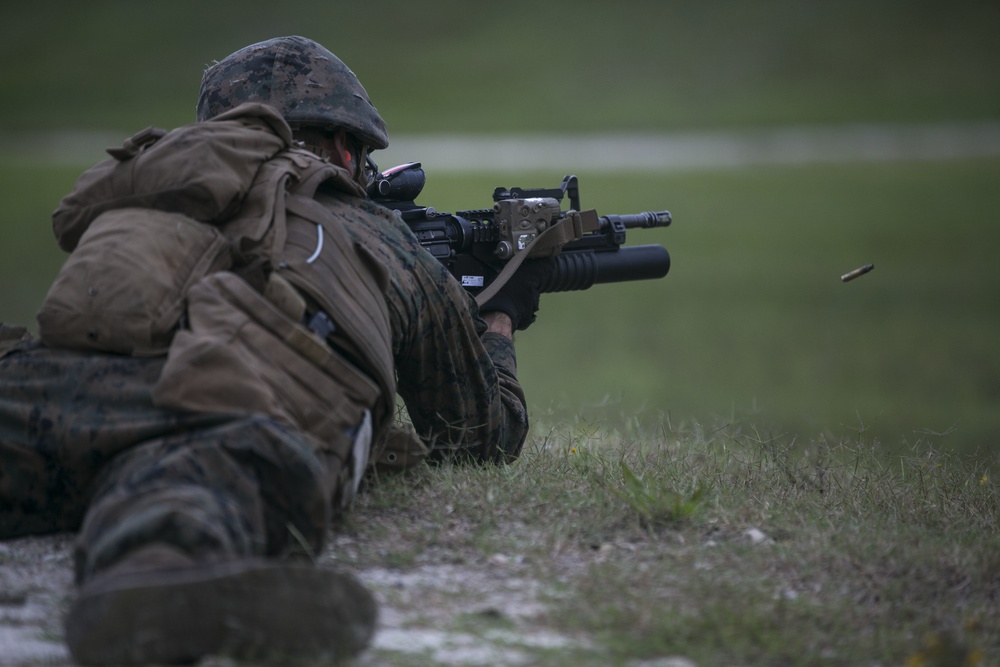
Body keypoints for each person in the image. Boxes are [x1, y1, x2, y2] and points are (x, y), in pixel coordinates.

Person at [0, 35, 551, 665]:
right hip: (226, 412)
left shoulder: (160, 189)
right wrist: (500, 317)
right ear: (348, 148)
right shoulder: (380, 234)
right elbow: (480, 436)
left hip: (54, 387)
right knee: (184, 495)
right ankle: (154, 580)